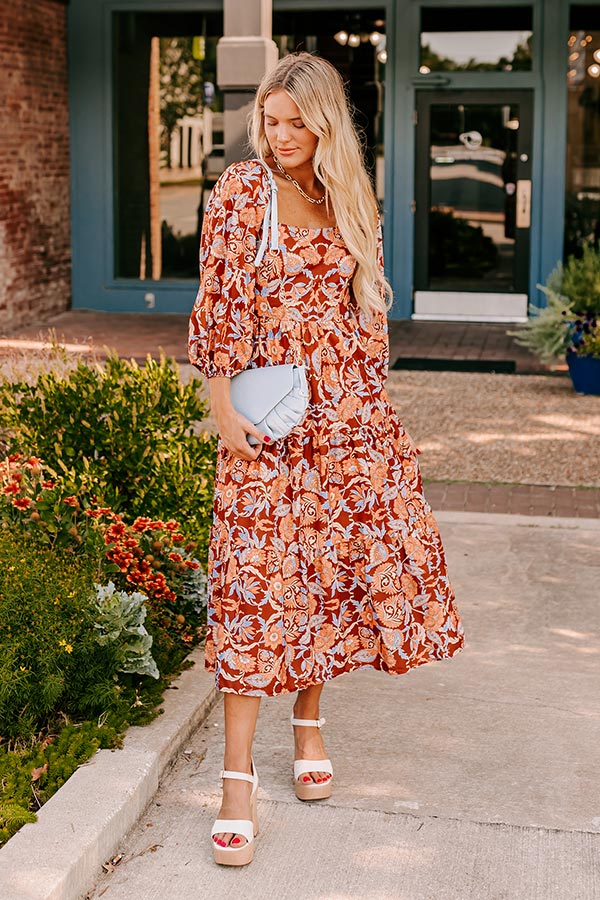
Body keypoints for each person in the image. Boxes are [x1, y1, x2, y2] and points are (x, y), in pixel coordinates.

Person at [188, 52, 464, 867]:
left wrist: (377, 418)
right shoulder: (244, 191)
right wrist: (220, 407)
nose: (279, 137)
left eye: (294, 123)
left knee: (328, 576)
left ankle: (308, 723)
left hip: (346, 418)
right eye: (268, 122)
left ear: (325, 122)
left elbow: (365, 314)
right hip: (269, 420)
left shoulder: (348, 194)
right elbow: (219, 301)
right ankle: (236, 780)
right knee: (253, 585)